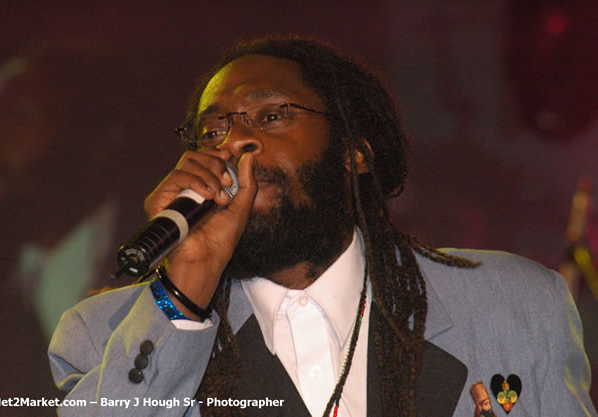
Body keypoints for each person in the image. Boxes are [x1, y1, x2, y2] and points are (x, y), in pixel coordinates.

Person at [48, 37, 596, 417]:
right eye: (212, 131)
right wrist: (185, 293)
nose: (235, 143)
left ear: (354, 151)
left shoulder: (516, 304)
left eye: (271, 115)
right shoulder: (103, 338)